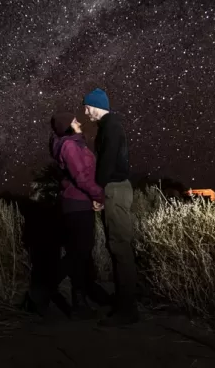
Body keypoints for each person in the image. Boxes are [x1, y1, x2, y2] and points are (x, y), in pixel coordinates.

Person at [83, 88, 140, 326]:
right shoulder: (109, 125)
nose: (85, 112)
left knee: (119, 247)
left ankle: (127, 310)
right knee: (117, 245)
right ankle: (124, 301)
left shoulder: (110, 126)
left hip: (114, 188)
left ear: (95, 106)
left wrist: (98, 191)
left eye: (86, 107)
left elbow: (106, 161)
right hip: (115, 187)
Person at [49, 110, 106, 319]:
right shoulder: (69, 146)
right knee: (77, 254)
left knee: (80, 255)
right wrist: (100, 196)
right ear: (67, 126)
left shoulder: (75, 143)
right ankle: (42, 291)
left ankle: (79, 302)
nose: (78, 121)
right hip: (76, 205)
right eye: (73, 120)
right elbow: (82, 177)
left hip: (80, 203)